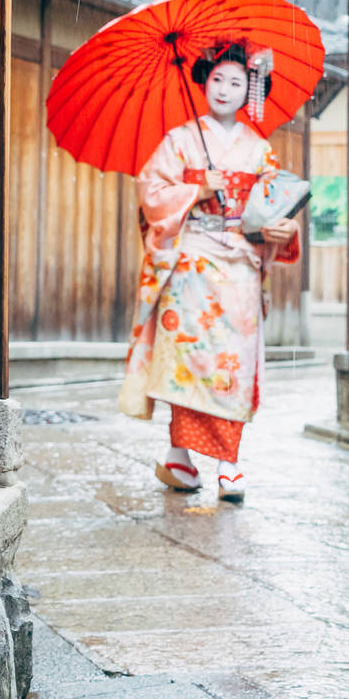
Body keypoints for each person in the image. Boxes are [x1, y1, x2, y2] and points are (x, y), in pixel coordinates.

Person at [119, 45, 301, 503]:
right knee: (186, 359)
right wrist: (198, 189)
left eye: (236, 82)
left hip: (240, 262)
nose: (224, 89)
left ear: (248, 92)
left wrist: (283, 226)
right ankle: (179, 454)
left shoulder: (260, 149)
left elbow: (273, 206)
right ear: (203, 82)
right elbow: (151, 194)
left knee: (231, 363)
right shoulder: (180, 140)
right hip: (191, 262)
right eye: (217, 79)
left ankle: (228, 463)